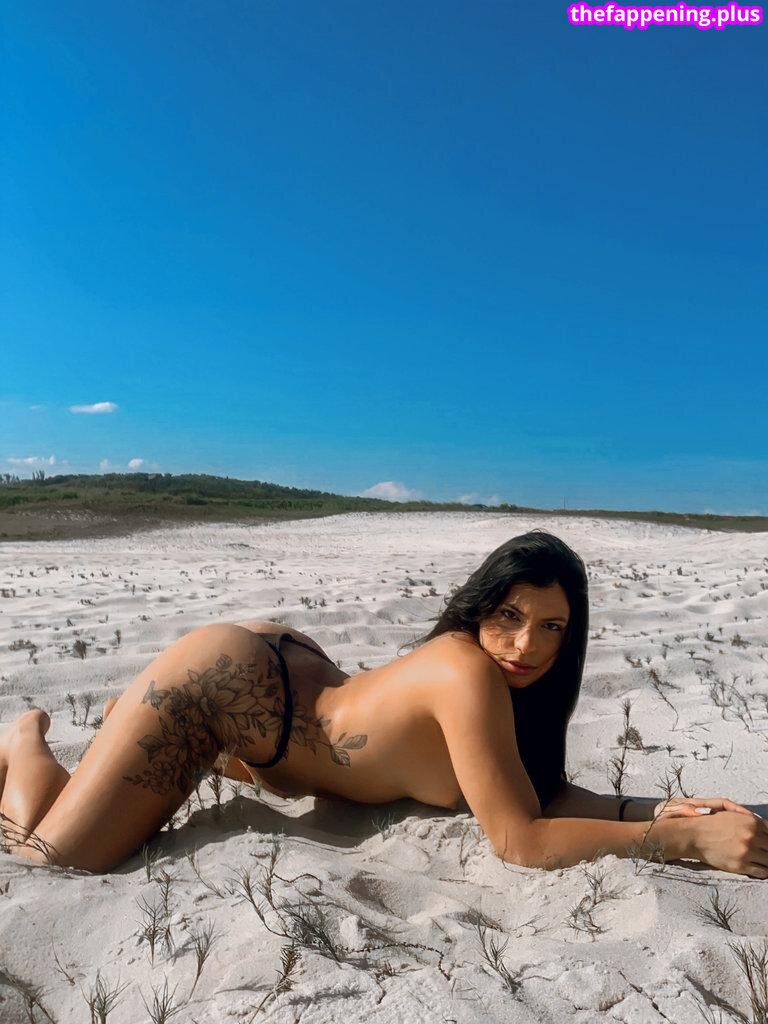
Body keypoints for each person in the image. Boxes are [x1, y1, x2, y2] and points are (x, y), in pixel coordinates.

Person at [1, 529, 765, 876]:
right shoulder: (467, 674)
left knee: (107, 800)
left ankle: (125, 724)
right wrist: (685, 845)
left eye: (551, 627)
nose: (525, 645)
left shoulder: (514, 692)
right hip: (230, 687)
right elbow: (521, 841)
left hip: (288, 725)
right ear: (480, 609)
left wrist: (657, 809)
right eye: (509, 616)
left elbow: (544, 797)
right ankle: (25, 737)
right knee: (52, 857)